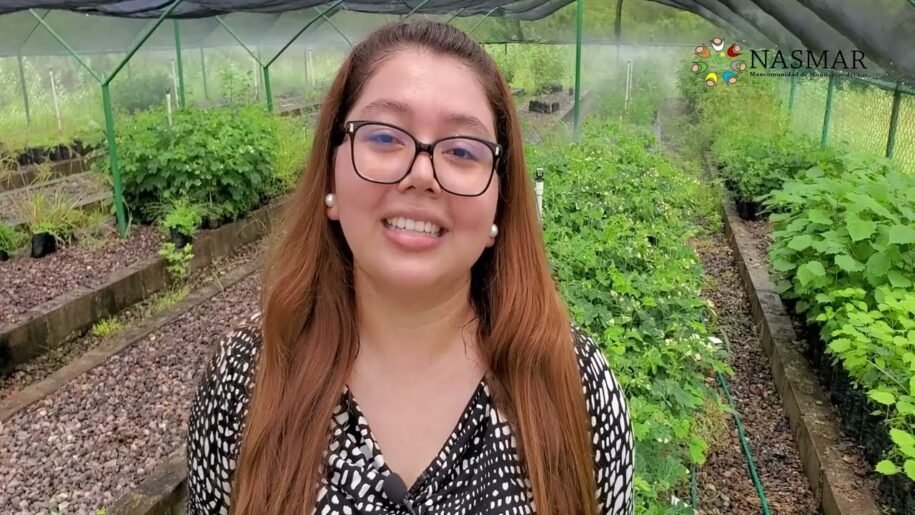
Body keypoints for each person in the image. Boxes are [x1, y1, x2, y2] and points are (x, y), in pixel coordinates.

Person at [185, 20, 634, 515]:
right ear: (330, 174)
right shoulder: (246, 378)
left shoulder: (574, 383)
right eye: (383, 137)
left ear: (499, 199)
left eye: (461, 150)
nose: (421, 175)